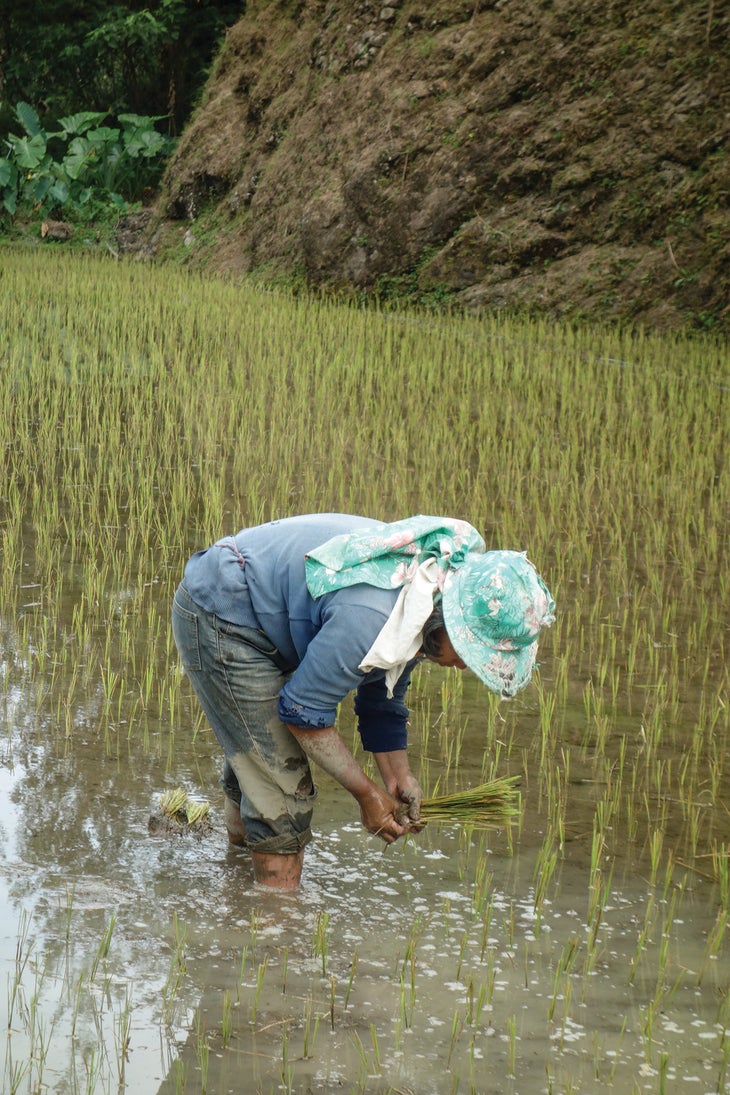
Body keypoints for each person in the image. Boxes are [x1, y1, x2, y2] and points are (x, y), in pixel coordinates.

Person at [171, 513, 554, 889]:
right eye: (473, 653)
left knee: (256, 768)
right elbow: (302, 712)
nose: (466, 667)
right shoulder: (373, 615)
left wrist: (398, 777)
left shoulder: (424, 596)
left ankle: (238, 884)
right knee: (282, 793)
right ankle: (276, 920)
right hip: (224, 613)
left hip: (261, 608)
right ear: (452, 624)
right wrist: (367, 795)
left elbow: (382, 696)